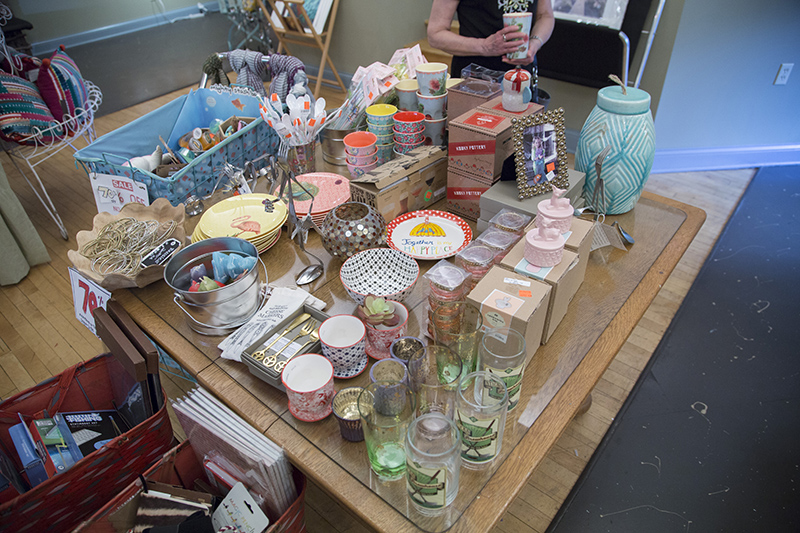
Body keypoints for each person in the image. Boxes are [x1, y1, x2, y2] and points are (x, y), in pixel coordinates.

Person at [428, 0, 555, 78]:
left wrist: (535, 43)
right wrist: (485, 46)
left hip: (522, 76)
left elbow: (545, 16)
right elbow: (435, 34)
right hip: (474, 80)